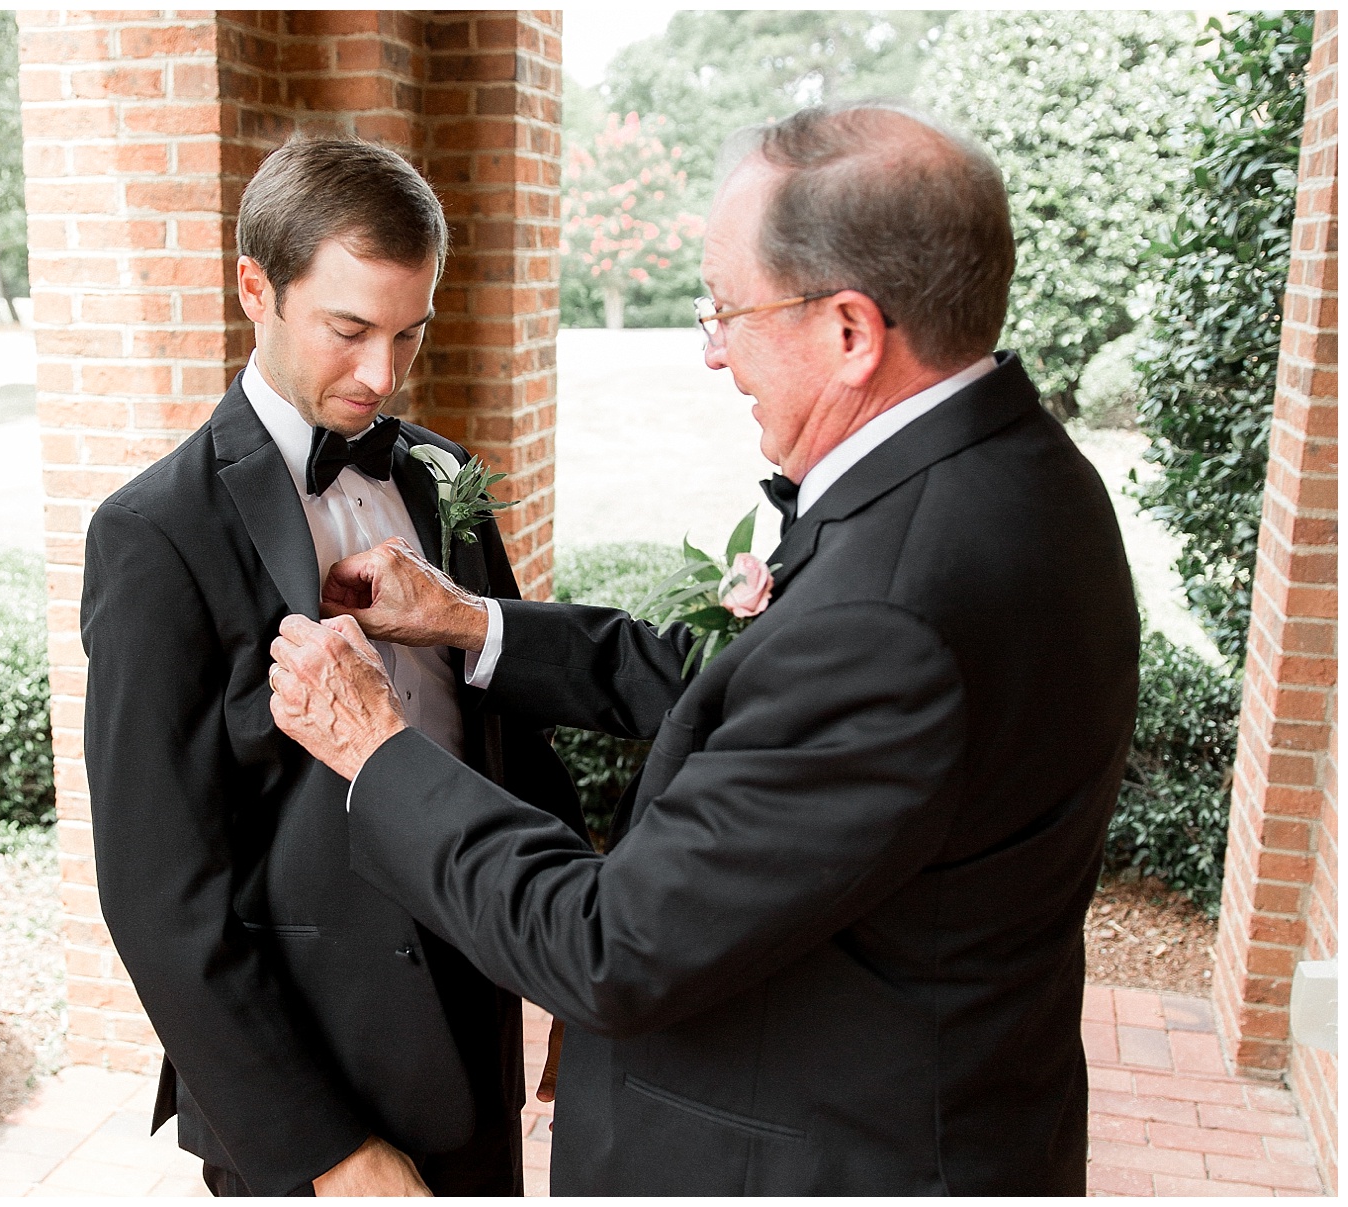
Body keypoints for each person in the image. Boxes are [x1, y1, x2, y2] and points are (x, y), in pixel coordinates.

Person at [266, 102, 1140, 1194]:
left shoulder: (894, 614)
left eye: (728, 309)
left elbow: (607, 946)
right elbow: (747, 693)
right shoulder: (1025, 478)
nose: (714, 351)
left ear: (852, 332)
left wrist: (375, 747)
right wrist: (473, 621)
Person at [79, 137, 583, 1197]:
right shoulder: (154, 534)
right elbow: (158, 895)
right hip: (304, 1085)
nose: (382, 376)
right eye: (349, 331)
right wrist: (329, 1152)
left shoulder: (442, 476)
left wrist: (576, 978)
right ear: (254, 289)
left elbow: (516, 734)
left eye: (409, 332)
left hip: (477, 1034)